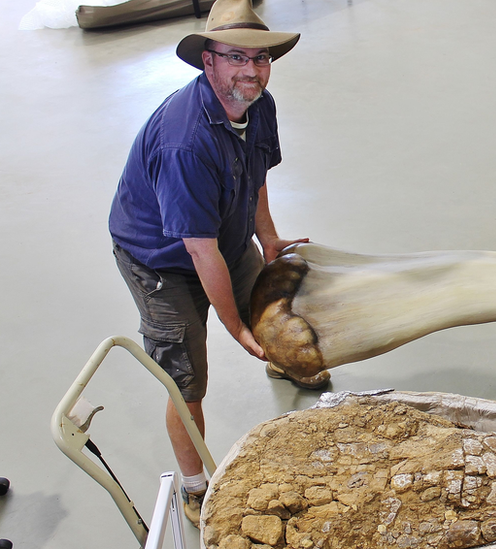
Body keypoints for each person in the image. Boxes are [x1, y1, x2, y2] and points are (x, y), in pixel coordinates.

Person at [108, 0, 318, 527]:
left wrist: (267, 240)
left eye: (260, 59)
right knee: (186, 382)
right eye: (235, 58)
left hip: (220, 232)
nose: (250, 70)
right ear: (209, 62)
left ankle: (274, 352)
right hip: (161, 260)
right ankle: (196, 486)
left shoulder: (256, 102)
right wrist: (233, 325)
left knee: (272, 302)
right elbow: (198, 252)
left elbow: (256, 173)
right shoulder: (186, 142)